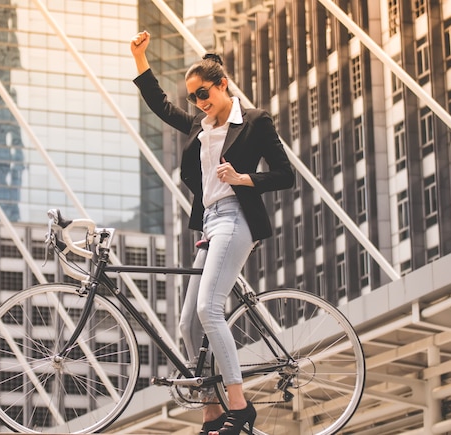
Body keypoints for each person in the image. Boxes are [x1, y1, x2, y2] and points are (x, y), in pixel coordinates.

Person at [130, 30, 295, 435]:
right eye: (194, 98)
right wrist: (139, 59)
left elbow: (286, 175)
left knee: (209, 308)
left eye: (204, 93)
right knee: (187, 324)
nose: (199, 103)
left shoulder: (256, 121)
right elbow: (160, 106)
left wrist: (243, 178)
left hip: (238, 218)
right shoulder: (199, 126)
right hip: (209, 222)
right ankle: (211, 413)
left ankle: (239, 407)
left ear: (223, 84)